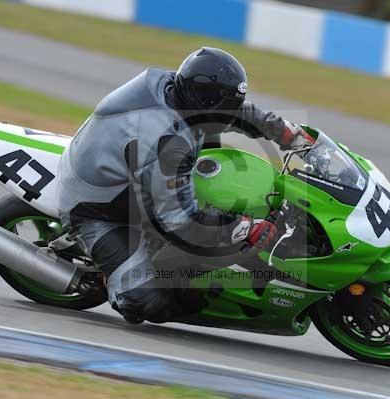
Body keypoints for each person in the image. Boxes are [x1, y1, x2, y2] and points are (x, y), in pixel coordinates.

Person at [57, 47, 314, 323]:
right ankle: (113, 282)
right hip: (99, 211)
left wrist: (284, 131)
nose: (230, 112)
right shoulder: (167, 141)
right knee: (149, 303)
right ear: (202, 100)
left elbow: (234, 110)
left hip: (130, 178)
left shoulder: (177, 90)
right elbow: (178, 222)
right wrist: (241, 228)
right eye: (224, 105)